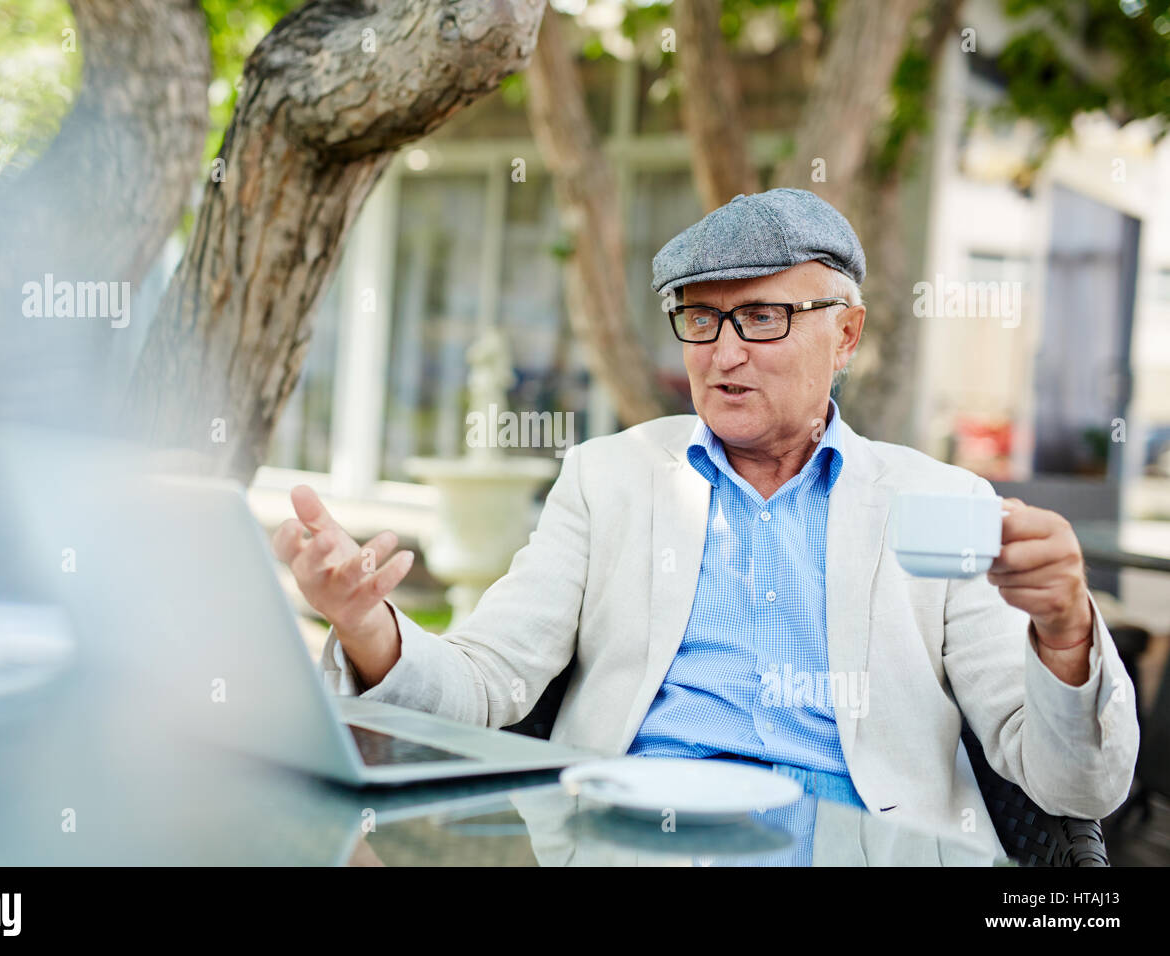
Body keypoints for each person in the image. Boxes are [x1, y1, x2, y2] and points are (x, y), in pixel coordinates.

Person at [271, 187, 1138, 856]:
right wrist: (367, 625)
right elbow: (485, 683)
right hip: (626, 843)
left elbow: (1075, 786)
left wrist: (1064, 630)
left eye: (763, 317)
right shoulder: (609, 480)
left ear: (847, 336)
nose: (723, 354)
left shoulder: (940, 506)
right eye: (700, 317)